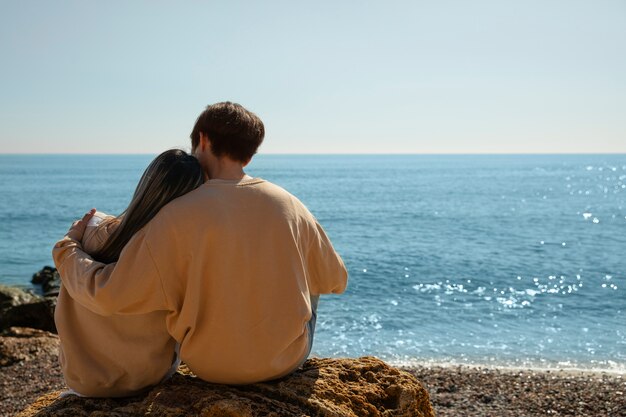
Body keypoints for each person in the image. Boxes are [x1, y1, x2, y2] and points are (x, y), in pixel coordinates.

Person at [53, 102, 348, 385]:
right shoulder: (290, 204)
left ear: (203, 140)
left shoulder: (173, 215)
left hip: (210, 366)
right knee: (310, 276)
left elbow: (110, 295)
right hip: (284, 361)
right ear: (249, 155)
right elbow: (336, 280)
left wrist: (68, 250)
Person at [54, 149, 203, 397]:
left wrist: (67, 244)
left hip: (83, 381)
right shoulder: (171, 254)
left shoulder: (92, 230)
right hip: (148, 378)